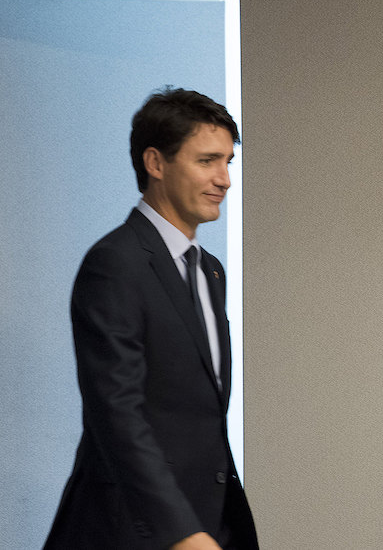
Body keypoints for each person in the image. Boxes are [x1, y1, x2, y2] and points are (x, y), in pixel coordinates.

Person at [45, 88, 258, 550]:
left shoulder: (210, 270)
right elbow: (117, 414)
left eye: (228, 162)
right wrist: (181, 532)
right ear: (155, 164)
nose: (224, 179)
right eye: (207, 161)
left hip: (207, 525)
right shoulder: (115, 263)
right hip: (134, 531)